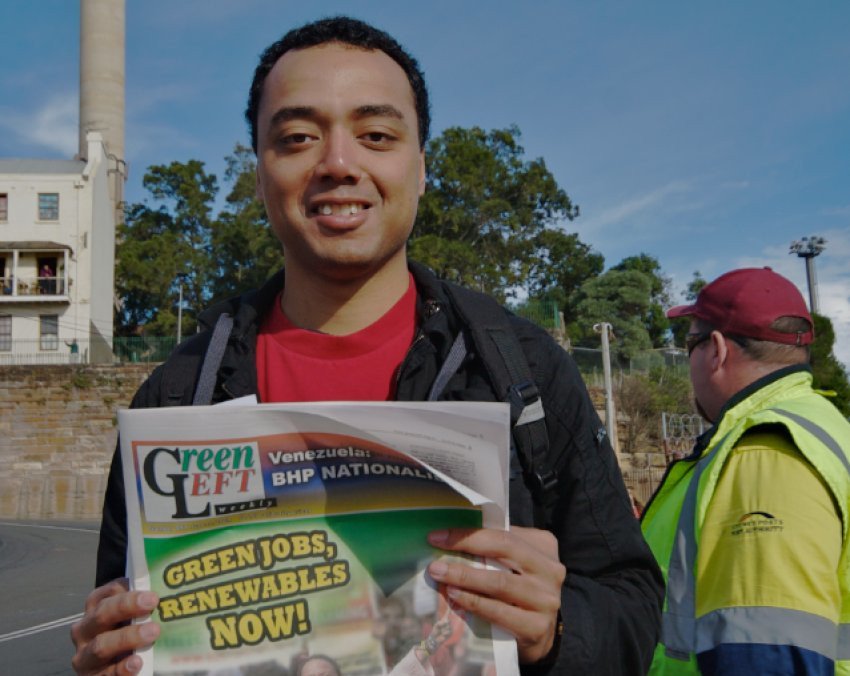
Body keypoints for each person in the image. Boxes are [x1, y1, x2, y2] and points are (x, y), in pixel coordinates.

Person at [70, 16, 662, 675]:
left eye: (376, 135)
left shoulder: (524, 375)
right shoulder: (175, 400)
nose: (339, 164)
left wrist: (554, 631)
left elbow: (633, 606)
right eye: (297, 138)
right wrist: (109, 657)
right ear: (261, 173)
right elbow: (122, 627)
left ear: (421, 167)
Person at [641, 267, 850, 674]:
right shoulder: (825, 426)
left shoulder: (764, 451)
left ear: (716, 349)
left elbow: (766, 650)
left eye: (690, 344)